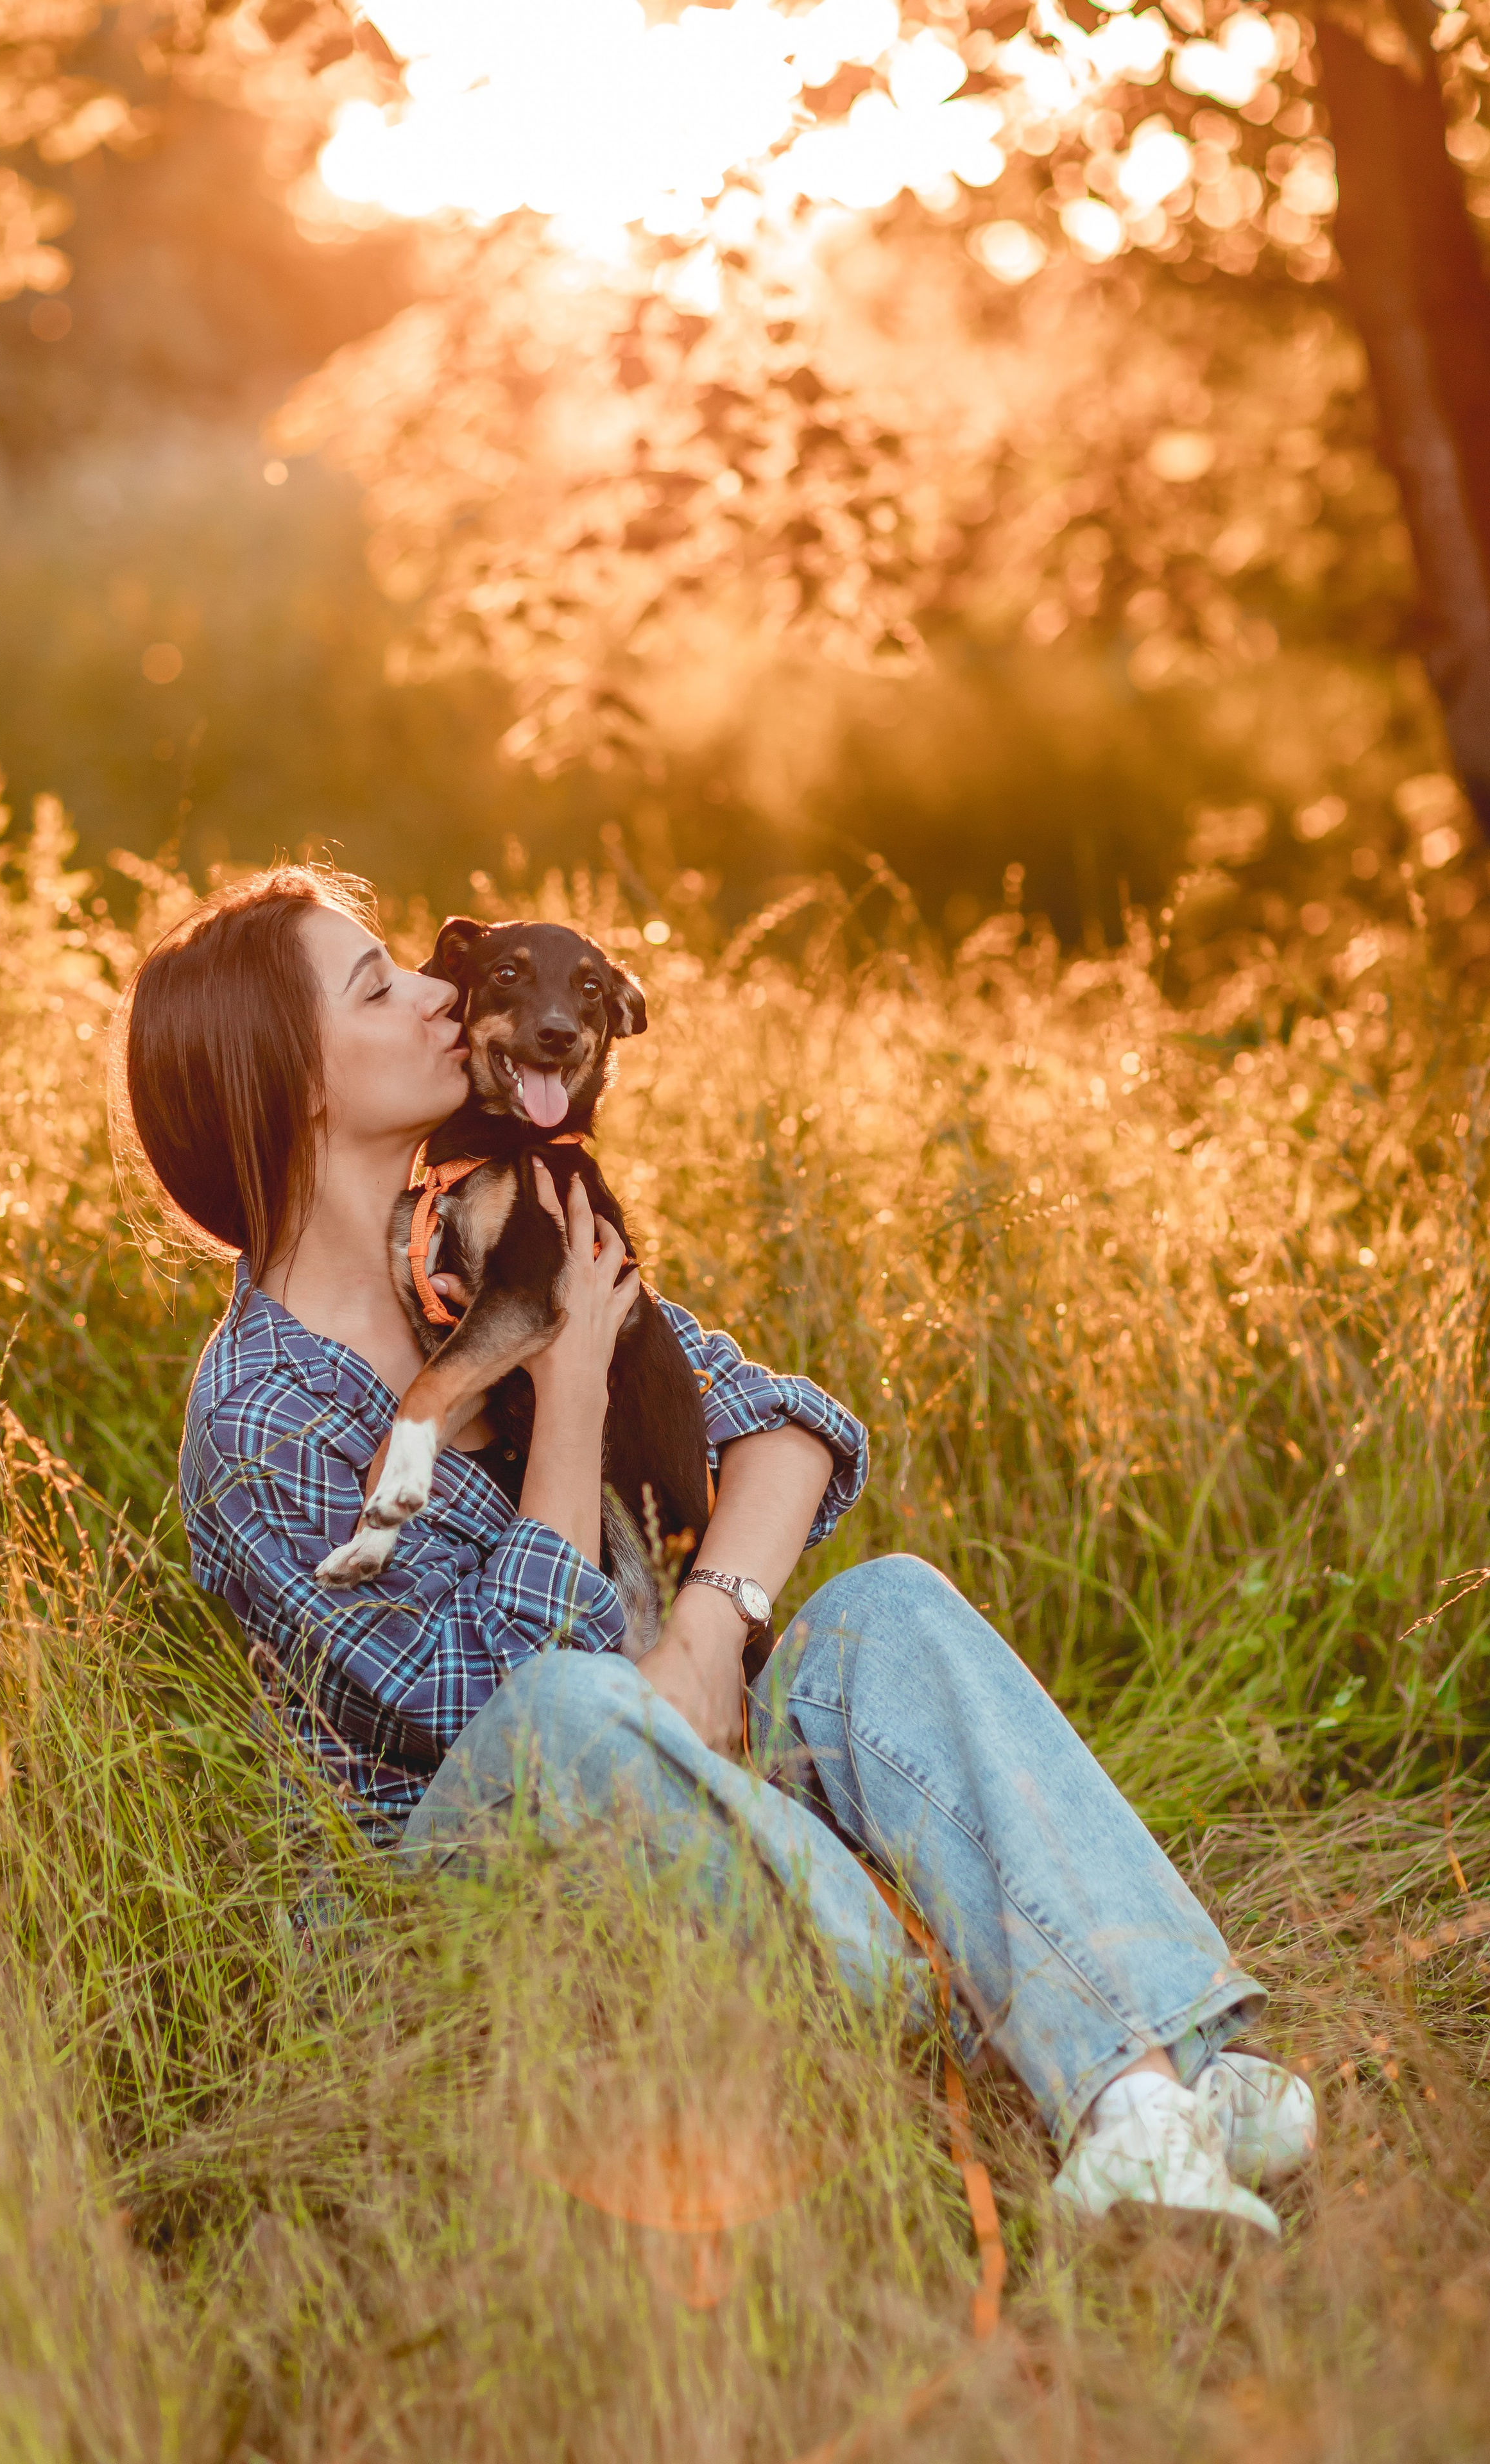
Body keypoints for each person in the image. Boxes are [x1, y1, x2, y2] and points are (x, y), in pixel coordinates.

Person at [118, 864, 1315, 2234]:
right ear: (297, 1082)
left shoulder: (489, 1232)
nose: (441, 997)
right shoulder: (263, 1420)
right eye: (381, 987)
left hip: (678, 1798)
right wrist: (562, 1399)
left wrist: (707, 1629)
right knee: (569, 1706)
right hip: (468, 1900)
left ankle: (1134, 2110)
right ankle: (1073, 2047)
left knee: (887, 1610)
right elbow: (488, 1705)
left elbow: (793, 1434)